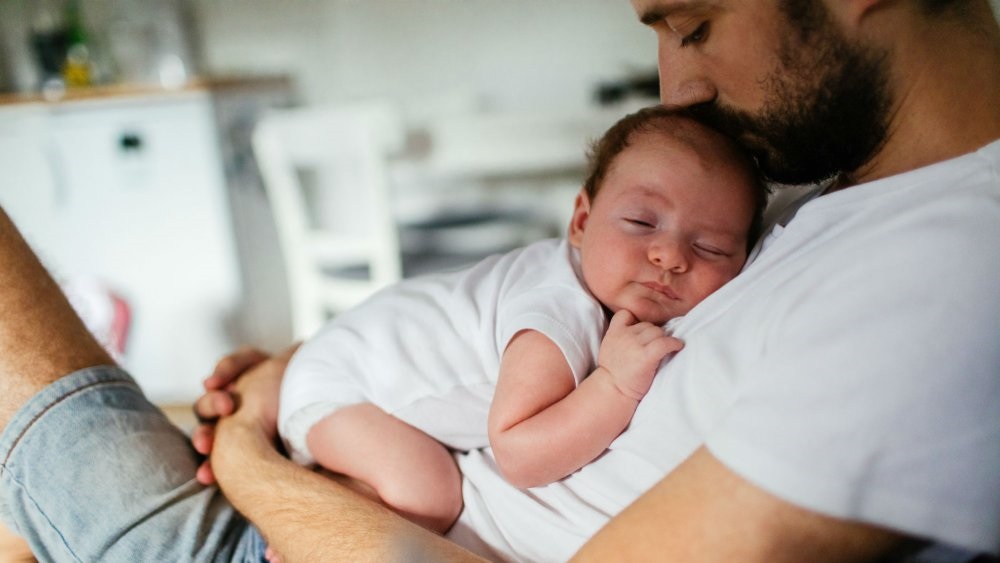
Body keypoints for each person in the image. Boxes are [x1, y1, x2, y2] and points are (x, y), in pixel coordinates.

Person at [1, 0, 998, 561]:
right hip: (363, 489)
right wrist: (307, 373)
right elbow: (507, 310)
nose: (677, 88)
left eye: (690, 25)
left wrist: (251, 457)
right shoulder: (815, 190)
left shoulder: (948, 269)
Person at [274, 105, 766, 535]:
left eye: (711, 247)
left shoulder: (594, 286)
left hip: (351, 355)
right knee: (430, 495)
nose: (670, 256)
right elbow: (519, 455)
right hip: (339, 386)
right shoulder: (557, 311)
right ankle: (309, 510)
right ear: (580, 223)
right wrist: (615, 385)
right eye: (641, 222)